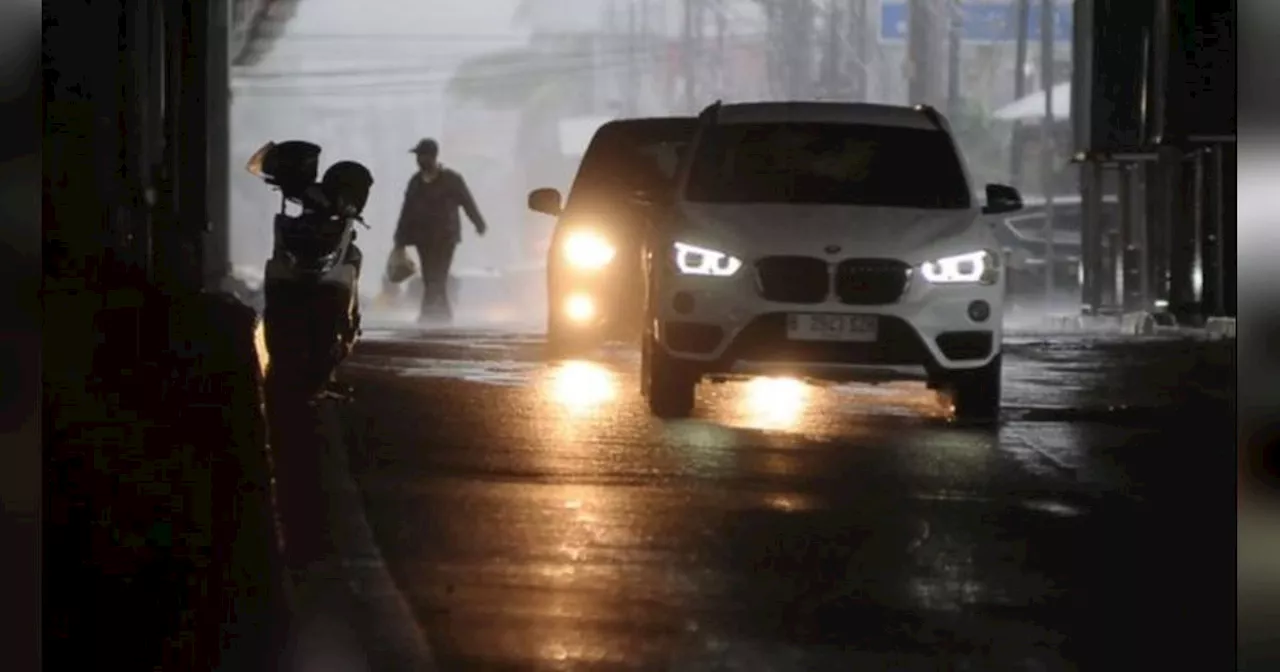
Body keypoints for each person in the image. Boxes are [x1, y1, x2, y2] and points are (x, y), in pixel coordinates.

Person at [391, 138, 487, 324]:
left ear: (432, 156)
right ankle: (440, 313)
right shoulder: (415, 182)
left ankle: (429, 313)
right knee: (429, 275)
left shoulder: (451, 180)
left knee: (439, 274)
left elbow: (467, 202)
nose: (418, 160)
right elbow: (407, 210)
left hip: (446, 236)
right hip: (422, 238)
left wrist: (478, 223)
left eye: (421, 155)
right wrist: (399, 239)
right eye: (417, 156)